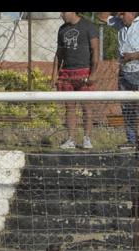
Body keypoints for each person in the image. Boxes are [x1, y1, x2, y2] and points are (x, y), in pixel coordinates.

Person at [54, 12, 100, 150]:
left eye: (63, 12)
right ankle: (71, 139)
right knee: (70, 108)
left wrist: (93, 73)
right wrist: (54, 75)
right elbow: (59, 54)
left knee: (86, 107)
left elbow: (95, 51)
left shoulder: (88, 26)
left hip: (84, 71)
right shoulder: (62, 29)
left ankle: (87, 138)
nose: (61, 15)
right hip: (67, 73)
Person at [96, 12, 139, 149]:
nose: (119, 16)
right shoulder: (119, 22)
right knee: (126, 107)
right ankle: (132, 140)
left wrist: (134, 55)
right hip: (124, 72)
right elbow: (101, 17)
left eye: (123, 14)